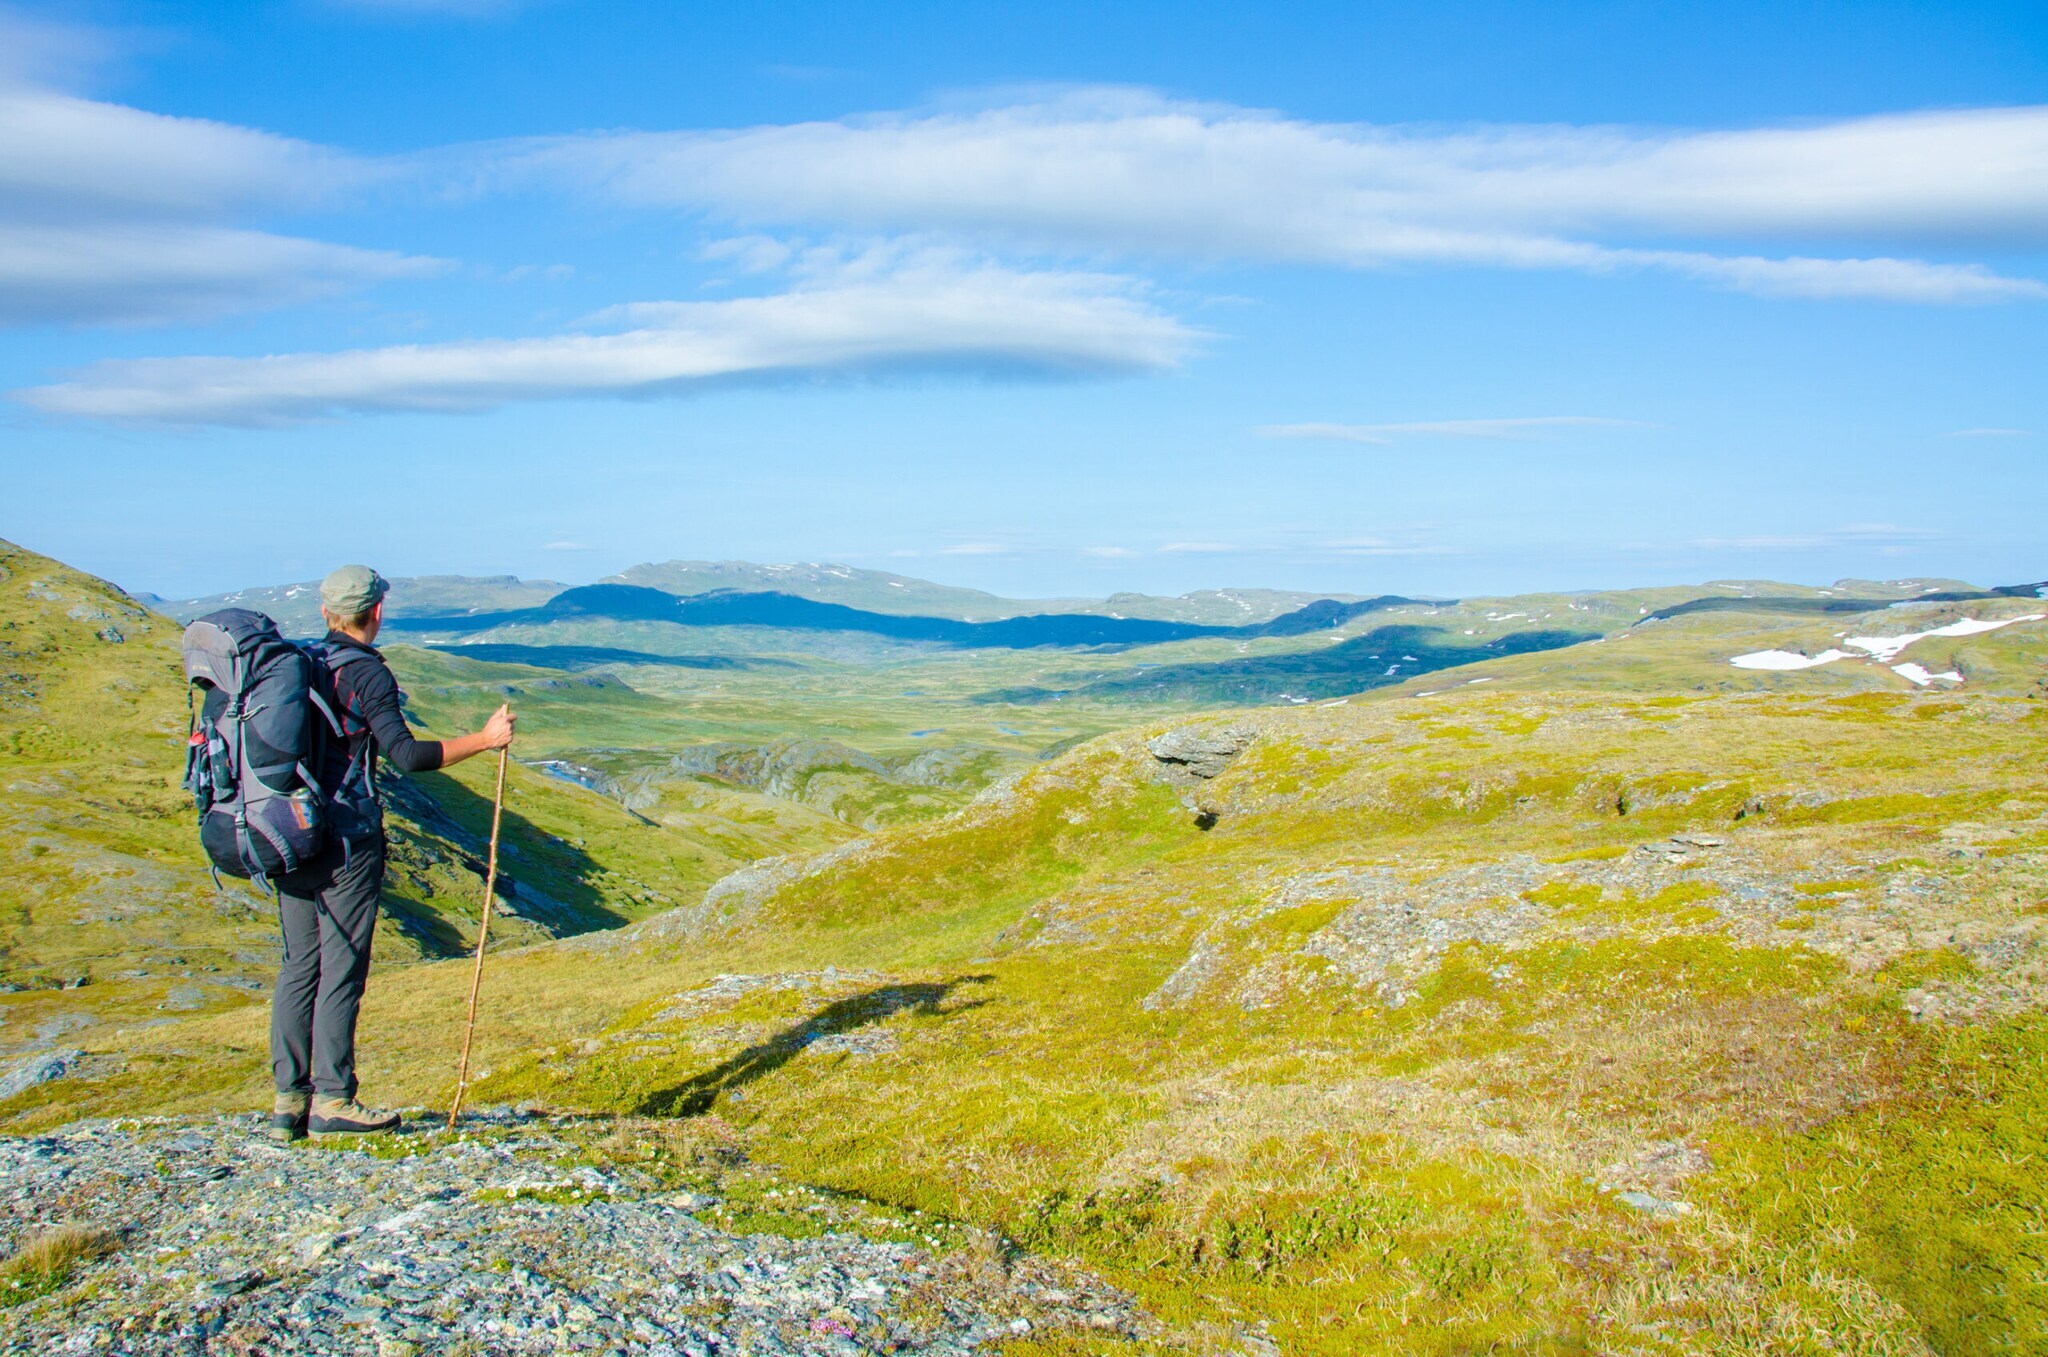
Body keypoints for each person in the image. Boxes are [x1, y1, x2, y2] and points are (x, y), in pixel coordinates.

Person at [269, 565, 515, 1140]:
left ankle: (288, 1102)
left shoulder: (297, 665)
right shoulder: (365, 673)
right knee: (342, 966)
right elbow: (405, 755)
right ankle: (333, 1099)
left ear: (326, 612)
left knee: (300, 964)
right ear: (377, 611)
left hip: (285, 830)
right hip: (346, 838)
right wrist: (484, 740)